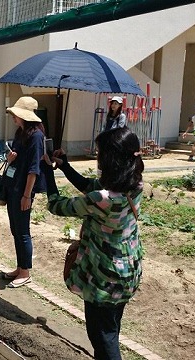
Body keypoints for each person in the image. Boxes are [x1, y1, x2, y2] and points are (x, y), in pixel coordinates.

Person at [41, 127, 143, 360]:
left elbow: (56, 205)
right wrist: (64, 166)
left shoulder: (103, 199)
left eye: (100, 153)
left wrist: (47, 172)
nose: (97, 157)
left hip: (104, 276)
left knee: (102, 336)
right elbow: (91, 186)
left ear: (110, 159)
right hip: (127, 270)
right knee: (111, 328)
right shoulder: (135, 184)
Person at [2, 96, 46, 288]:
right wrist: (9, 158)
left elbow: (34, 169)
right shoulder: (21, 133)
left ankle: (25, 271)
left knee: (23, 231)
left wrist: (27, 195)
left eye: (16, 114)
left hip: (23, 189)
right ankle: (20, 268)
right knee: (15, 229)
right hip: (13, 185)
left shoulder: (36, 136)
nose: (13, 117)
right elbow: (15, 159)